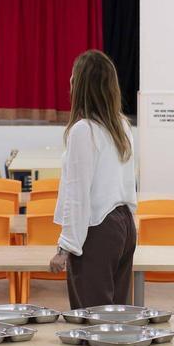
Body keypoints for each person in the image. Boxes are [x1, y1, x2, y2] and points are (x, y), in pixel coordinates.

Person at [49, 50, 138, 307]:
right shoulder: (122, 125)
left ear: (80, 85)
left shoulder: (83, 130)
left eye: (73, 76)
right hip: (125, 225)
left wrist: (65, 247)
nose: (69, 80)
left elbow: (78, 195)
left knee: (91, 317)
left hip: (98, 229)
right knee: (116, 314)